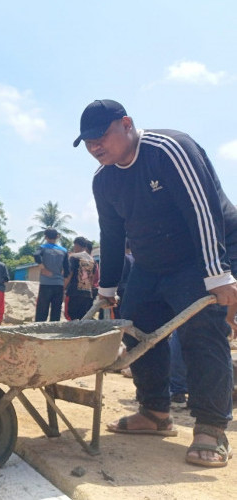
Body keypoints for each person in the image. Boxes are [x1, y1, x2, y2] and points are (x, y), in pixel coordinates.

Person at [74, 98, 237, 467]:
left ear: (127, 124)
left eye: (101, 136)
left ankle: (211, 427)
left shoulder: (169, 150)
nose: (95, 146)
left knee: (201, 332)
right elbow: (112, 235)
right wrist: (107, 290)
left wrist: (218, 273)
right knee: (135, 328)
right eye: (87, 142)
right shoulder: (104, 180)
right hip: (152, 263)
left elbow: (204, 213)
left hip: (204, 253)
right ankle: (155, 412)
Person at [34, 228, 69, 322]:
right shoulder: (64, 251)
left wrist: (43, 268)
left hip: (46, 283)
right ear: (57, 237)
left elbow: (36, 255)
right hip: (59, 284)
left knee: (42, 310)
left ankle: (38, 331)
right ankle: (53, 331)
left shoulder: (42, 247)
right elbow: (67, 269)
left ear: (45, 237)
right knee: (56, 311)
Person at [64, 237, 95, 320]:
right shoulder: (92, 259)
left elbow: (69, 275)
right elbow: (92, 277)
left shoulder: (74, 257)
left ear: (76, 245)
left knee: (71, 316)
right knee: (83, 317)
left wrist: (63, 288)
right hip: (87, 293)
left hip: (74, 292)